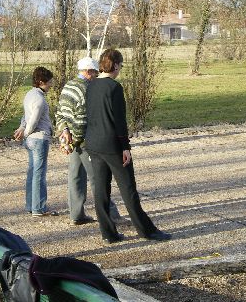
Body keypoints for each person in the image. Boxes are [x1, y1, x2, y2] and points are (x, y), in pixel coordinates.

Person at [85, 49, 171, 244]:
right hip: (112, 144)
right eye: (120, 65)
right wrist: (126, 147)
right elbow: (119, 121)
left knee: (101, 191)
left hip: (93, 143)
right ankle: (146, 231)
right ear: (115, 65)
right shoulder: (114, 88)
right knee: (128, 189)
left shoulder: (91, 85)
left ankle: (108, 234)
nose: (120, 68)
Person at [55, 56, 124, 225]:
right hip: (83, 141)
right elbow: (82, 118)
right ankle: (110, 215)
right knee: (97, 178)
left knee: (75, 177)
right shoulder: (86, 89)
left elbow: (61, 112)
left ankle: (76, 215)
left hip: (71, 139)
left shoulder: (68, 86)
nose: (96, 75)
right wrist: (78, 139)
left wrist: (65, 134)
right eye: (94, 72)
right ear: (88, 72)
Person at [14, 66, 58, 217]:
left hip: (31, 141)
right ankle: (39, 208)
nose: (51, 85)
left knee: (32, 172)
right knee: (39, 174)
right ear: (41, 82)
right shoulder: (39, 99)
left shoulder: (29, 95)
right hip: (39, 139)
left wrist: (22, 128)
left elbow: (25, 116)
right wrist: (25, 133)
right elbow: (33, 121)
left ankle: (30, 205)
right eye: (49, 82)